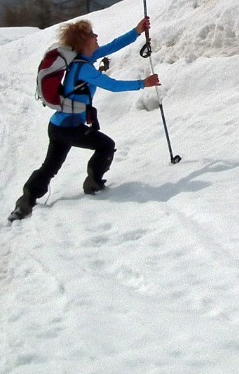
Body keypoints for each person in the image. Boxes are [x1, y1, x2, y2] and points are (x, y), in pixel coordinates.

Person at [10, 17, 160, 221]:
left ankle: (25, 203)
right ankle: (94, 184)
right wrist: (143, 83)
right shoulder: (84, 68)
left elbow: (112, 46)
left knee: (50, 167)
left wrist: (136, 31)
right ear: (83, 42)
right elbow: (112, 85)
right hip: (69, 128)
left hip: (58, 126)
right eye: (92, 35)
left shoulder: (83, 61)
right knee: (105, 146)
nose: (96, 36)